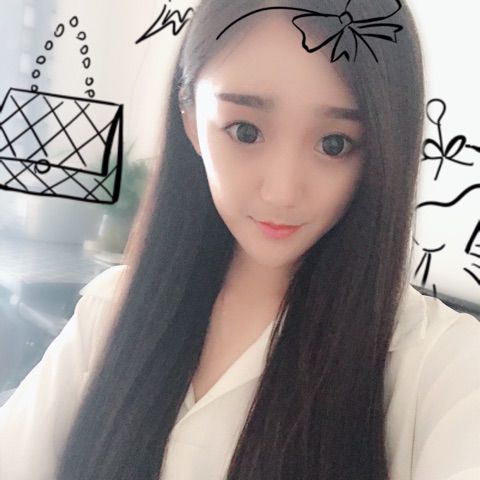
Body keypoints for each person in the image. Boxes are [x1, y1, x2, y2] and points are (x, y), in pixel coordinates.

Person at [1, 0, 479, 479]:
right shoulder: (111, 311)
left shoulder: (442, 367)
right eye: (245, 131)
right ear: (191, 120)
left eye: (334, 144)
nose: (281, 192)